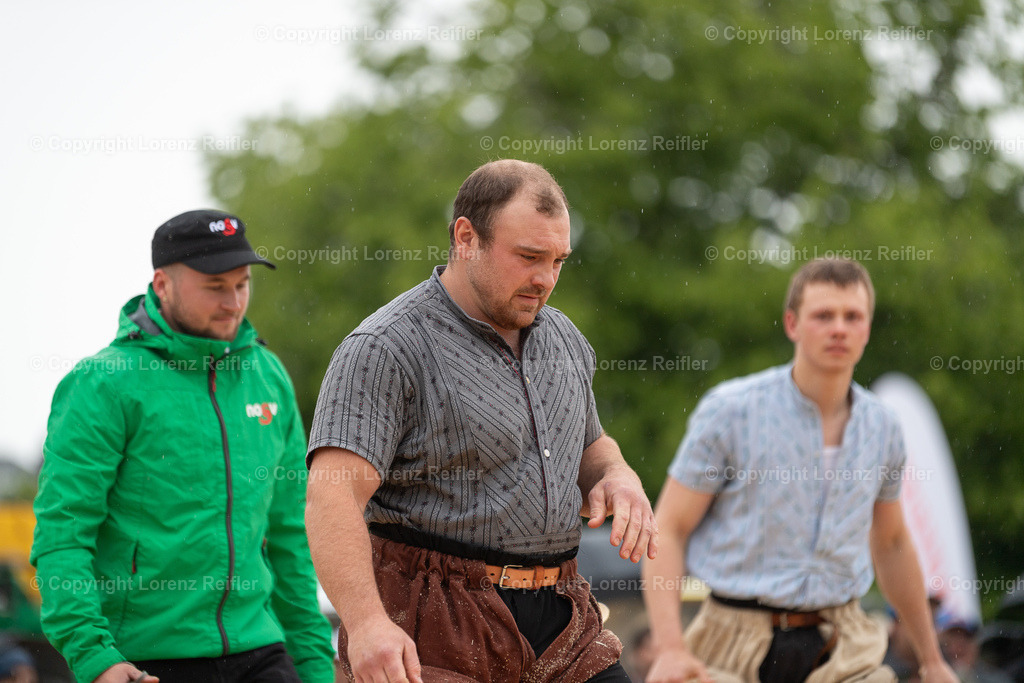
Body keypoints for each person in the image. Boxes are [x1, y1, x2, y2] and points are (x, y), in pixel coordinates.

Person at [305, 159, 658, 682]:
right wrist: (367, 624)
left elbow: (590, 445)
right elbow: (331, 496)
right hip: (432, 622)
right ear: (466, 237)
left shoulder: (565, 338)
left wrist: (617, 475)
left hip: (564, 619)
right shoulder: (385, 347)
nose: (545, 279)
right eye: (529, 257)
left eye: (559, 260)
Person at [31, 210, 335, 683]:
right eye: (215, 286)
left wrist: (316, 665)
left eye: (242, 283)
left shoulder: (267, 377)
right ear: (162, 284)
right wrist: (95, 659)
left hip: (262, 650)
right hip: (142, 659)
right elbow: (62, 536)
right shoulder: (102, 384)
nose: (233, 302)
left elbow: (290, 535)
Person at [641, 258, 959, 683]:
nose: (839, 328)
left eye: (853, 316)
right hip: (730, 644)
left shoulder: (884, 427)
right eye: (824, 315)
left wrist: (932, 661)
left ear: (867, 328)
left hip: (844, 644)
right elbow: (669, 527)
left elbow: (893, 543)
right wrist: (670, 648)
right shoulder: (730, 412)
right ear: (792, 324)